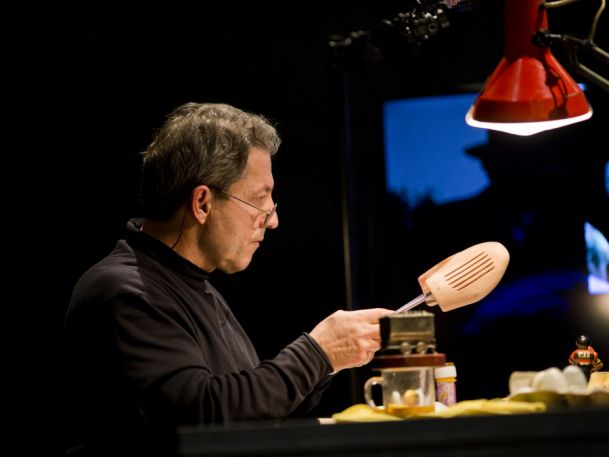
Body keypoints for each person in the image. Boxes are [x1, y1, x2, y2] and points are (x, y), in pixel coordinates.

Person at [61, 102, 393, 455]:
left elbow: (251, 415)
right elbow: (201, 419)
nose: (272, 220)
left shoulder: (191, 285)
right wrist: (317, 353)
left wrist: (330, 358)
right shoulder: (126, 292)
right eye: (260, 199)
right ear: (203, 203)